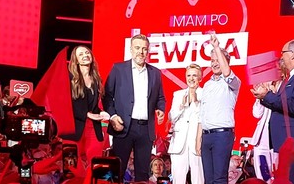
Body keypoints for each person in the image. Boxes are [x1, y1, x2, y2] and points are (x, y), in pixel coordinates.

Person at [251, 39, 294, 184]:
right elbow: (280, 104)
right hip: (283, 141)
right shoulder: (291, 78)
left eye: (283, 53)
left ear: (293, 54)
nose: (281, 57)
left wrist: (267, 96)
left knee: (293, 180)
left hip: (293, 142)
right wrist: (263, 97)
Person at [103, 34, 166, 182]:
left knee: (142, 175)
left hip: (145, 130)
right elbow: (106, 96)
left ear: (148, 51)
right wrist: (113, 117)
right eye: (137, 48)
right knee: (117, 172)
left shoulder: (155, 73)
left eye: (144, 49)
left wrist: (160, 109)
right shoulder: (118, 69)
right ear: (131, 49)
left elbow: (160, 98)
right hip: (123, 127)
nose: (141, 52)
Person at [197, 34, 240, 184]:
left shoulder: (232, 82)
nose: (215, 64)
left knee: (220, 178)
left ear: (225, 62)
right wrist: (199, 139)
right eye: (212, 60)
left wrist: (216, 47)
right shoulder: (207, 85)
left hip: (222, 135)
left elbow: (227, 73)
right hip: (206, 136)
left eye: (218, 60)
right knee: (208, 180)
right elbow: (202, 113)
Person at [68, 45, 109, 179]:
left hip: (93, 127)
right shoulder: (69, 78)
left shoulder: (96, 79)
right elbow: (66, 104)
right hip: (74, 127)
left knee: (94, 163)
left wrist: (101, 113)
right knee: (74, 167)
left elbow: (94, 106)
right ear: (76, 60)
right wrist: (87, 114)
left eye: (87, 52)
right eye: (81, 54)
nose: (85, 55)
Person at [168, 64, 204, 184]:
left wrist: (197, 103)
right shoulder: (178, 94)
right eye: (189, 75)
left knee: (198, 180)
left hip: (197, 144)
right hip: (179, 143)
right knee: (178, 180)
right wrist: (181, 106)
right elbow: (171, 117)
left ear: (200, 78)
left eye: (194, 75)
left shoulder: (205, 94)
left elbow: (205, 117)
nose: (191, 78)